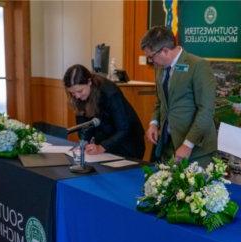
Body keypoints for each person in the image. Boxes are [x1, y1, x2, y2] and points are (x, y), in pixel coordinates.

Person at [141, 26, 217, 165]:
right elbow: (161, 101)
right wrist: (154, 123)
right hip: (167, 145)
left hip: (196, 150)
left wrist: (188, 144)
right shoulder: (160, 69)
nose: (151, 62)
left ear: (164, 51)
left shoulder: (198, 66)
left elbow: (206, 111)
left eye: (151, 57)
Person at [63, 64, 145, 159]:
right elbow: (83, 125)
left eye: (80, 91)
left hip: (127, 144)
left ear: (89, 82)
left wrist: (102, 147)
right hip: (105, 142)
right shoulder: (78, 96)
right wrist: (85, 143)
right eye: (73, 93)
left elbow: (124, 128)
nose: (77, 96)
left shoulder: (110, 92)